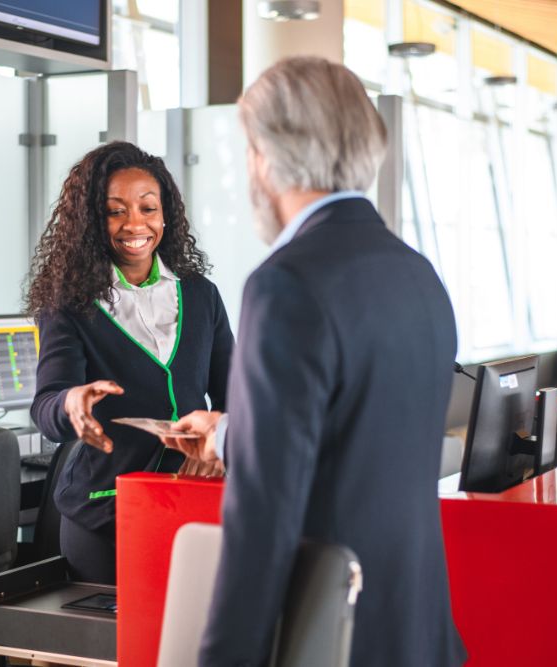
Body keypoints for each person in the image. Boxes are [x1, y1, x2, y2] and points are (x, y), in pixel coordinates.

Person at [161, 58, 467, 666]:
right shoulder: (417, 274)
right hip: (416, 634)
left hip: (334, 637)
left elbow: (263, 519)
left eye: (250, 149)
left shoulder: (287, 284)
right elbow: (359, 435)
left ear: (269, 157)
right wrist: (229, 434)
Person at [27, 141, 234, 584]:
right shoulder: (69, 305)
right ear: (91, 221)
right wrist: (71, 404)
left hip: (192, 505)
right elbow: (46, 406)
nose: (135, 224)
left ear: (166, 215)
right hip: (106, 515)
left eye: (147, 208)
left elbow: (236, 395)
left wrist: (222, 443)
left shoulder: (201, 295)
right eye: (115, 211)